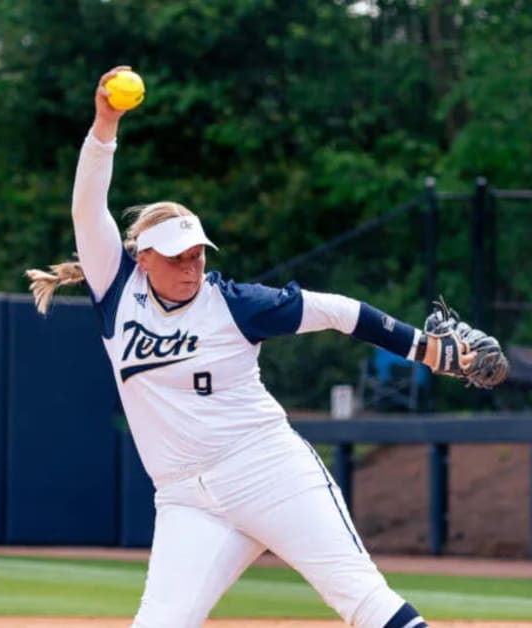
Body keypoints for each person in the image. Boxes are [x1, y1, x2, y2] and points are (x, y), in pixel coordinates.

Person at [25, 66, 507, 628]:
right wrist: (105, 123)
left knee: (362, 599)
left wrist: (426, 349)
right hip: (185, 501)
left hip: (268, 471)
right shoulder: (117, 289)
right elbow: (88, 208)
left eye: (197, 252)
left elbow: (336, 310)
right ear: (144, 257)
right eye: (176, 255)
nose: (191, 263)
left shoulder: (234, 304)